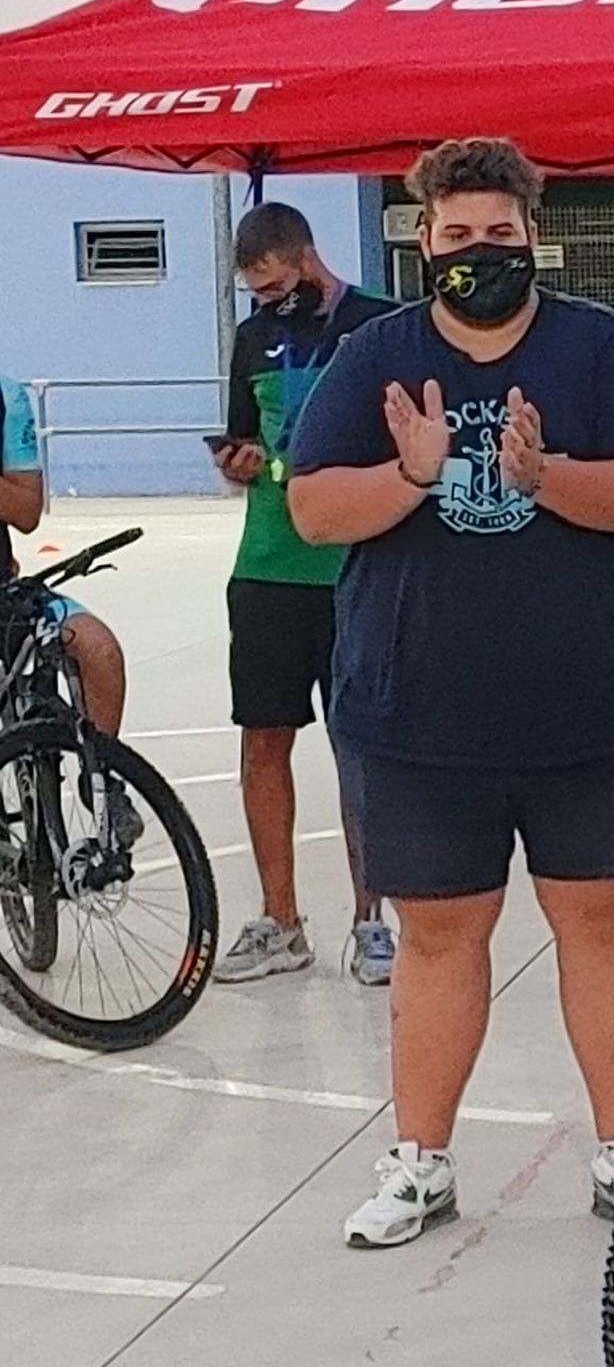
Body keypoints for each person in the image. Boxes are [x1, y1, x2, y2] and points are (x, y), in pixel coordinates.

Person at [287, 138, 614, 1250]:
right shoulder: (375, 356)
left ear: (532, 233)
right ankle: (420, 1161)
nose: (480, 253)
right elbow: (315, 508)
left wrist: (545, 477)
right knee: (437, 938)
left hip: (593, 711)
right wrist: (415, 473)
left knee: (601, 926)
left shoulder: (600, 349)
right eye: (457, 236)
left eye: (499, 234)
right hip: (418, 717)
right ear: (425, 242)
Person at [212, 203, 399, 988]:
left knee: (360, 750)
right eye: (255, 294)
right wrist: (240, 461)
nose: (268, 304)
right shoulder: (253, 339)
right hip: (267, 568)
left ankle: (371, 921)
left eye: (279, 287)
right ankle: (279, 920)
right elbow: (240, 438)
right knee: (264, 740)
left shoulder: (380, 327)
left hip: (356, 568)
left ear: (308, 261)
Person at [0, 371, 141, 844]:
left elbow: (25, 510)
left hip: (6, 592)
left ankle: (99, 778)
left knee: (97, 647)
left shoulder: (7, 394)